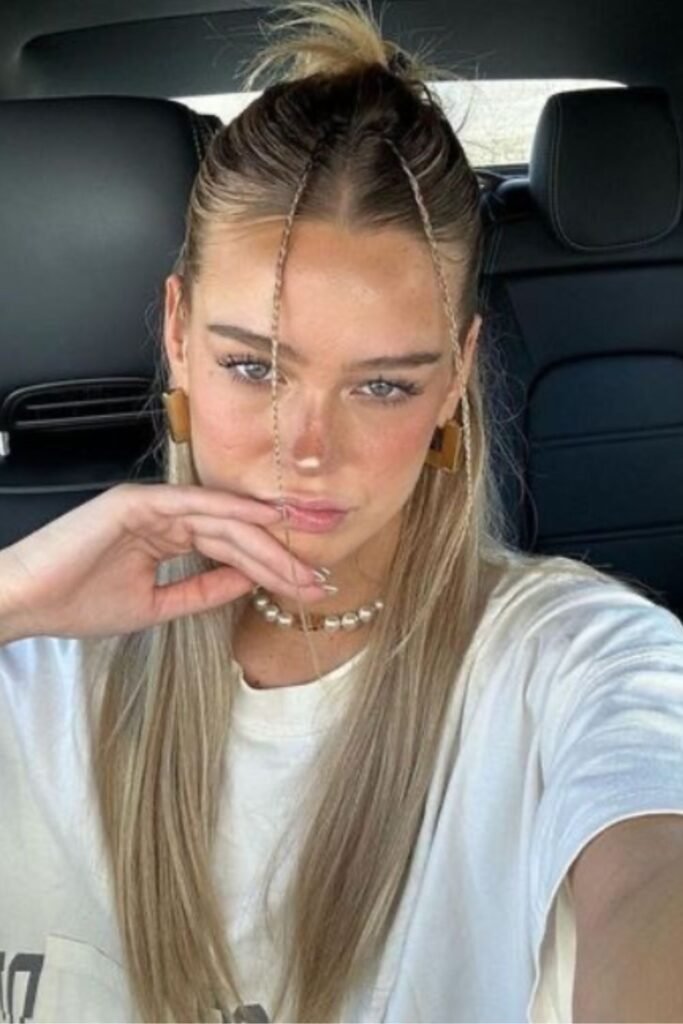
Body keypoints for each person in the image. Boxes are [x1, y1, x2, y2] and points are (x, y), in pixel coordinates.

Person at [1, 2, 683, 1022]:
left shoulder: (575, 662)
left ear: (455, 377)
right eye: (253, 367)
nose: (307, 450)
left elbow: (652, 871)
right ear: (177, 332)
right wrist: (11, 595)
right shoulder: (35, 658)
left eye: (382, 385)